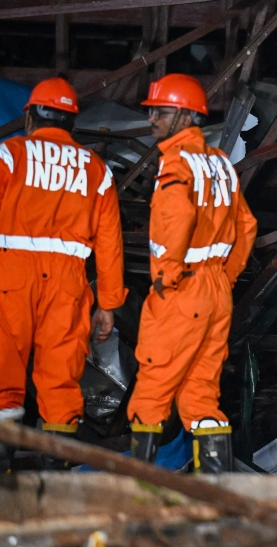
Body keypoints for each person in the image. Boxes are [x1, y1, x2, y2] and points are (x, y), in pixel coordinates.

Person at [127, 74, 257, 473]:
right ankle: (212, 496)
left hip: (183, 289)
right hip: (216, 291)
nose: (152, 121)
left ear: (185, 117)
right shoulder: (220, 164)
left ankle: (140, 495)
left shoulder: (176, 163)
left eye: (160, 113)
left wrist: (167, 277)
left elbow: (178, 215)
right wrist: (226, 277)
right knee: (201, 395)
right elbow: (247, 226)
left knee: (152, 387)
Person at [0, 77, 126, 469]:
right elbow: (110, 245)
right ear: (71, 122)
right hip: (68, 285)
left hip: (11, 277)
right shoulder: (96, 170)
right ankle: (54, 477)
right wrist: (107, 304)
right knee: (60, 380)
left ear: (31, 117)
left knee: (4, 373)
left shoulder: (10, 155)